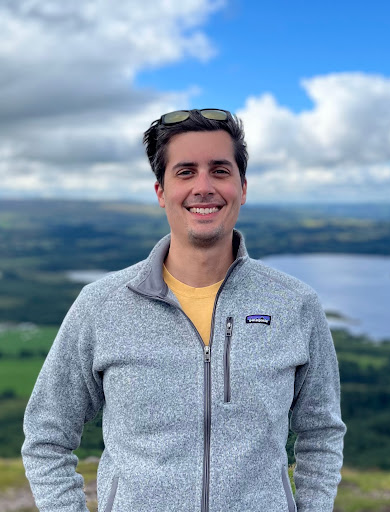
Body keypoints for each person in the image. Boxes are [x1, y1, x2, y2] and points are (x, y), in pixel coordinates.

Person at [22, 108, 346, 512]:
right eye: (186, 172)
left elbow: (321, 434)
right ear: (161, 192)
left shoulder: (296, 305)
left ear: (243, 188)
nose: (203, 187)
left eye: (220, 171)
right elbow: (46, 438)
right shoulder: (101, 306)